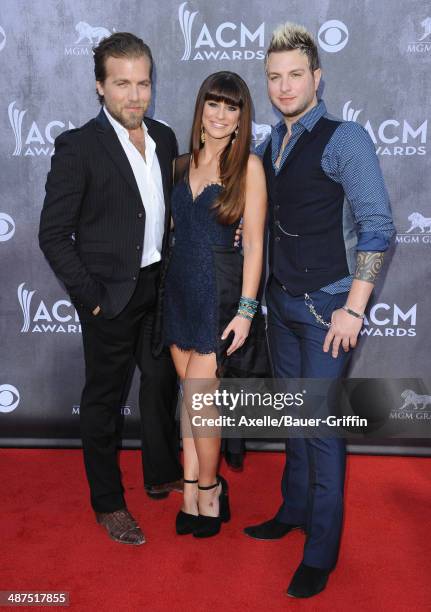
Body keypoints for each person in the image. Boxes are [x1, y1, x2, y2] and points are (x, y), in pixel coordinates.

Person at [243, 23, 395, 597]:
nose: (284, 87)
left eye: (295, 76)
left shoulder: (344, 138)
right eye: (275, 77)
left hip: (328, 309)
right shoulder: (267, 145)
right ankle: (294, 510)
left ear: (317, 77)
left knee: (323, 429)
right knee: (295, 420)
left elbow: (378, 227)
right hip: (279, 307)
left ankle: (321, 551)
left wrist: (354, 310)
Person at [39, 33, 183, 546]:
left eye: (143, 83)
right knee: (103, 401)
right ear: (100, 87)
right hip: (110, 297)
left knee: (162, 380)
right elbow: (52, 234)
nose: (135, 95)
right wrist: (93, 298)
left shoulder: (165, 138)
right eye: (122, 83)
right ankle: (108, 503)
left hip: (158, 288)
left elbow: (174, 210)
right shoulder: (79, 147)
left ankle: (161, 470)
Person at [163, 71, 267, 537]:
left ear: (242, 116)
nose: (221, 115)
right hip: (178, 291)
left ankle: (210, 490)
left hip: (218, 295)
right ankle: (188, 490)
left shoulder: (248, 168)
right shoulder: (180, 165)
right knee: (189, 401)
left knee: (202, 403)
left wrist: (246, 311)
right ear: (201, 108)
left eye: (232, 107)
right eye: (214, 104)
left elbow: (256, 247)